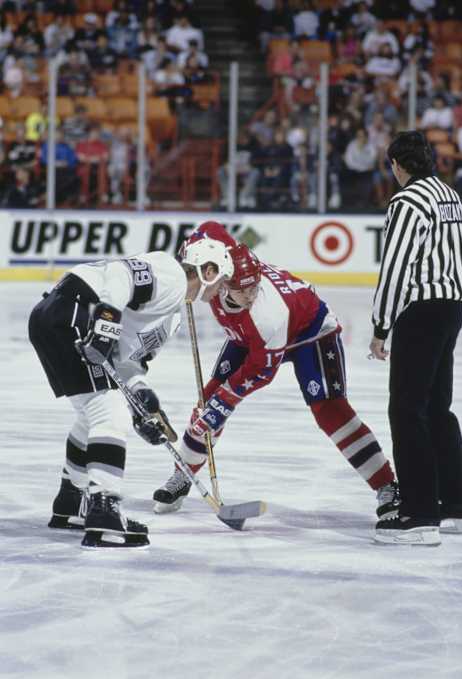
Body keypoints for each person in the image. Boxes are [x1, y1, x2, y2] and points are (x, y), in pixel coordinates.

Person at [153, 221, 400, 521]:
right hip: (250, 337)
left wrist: (223, 404)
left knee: (330, 411)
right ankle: (184, 474)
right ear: (222, 279)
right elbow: (209, 227)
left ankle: (387, 486)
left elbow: (259, 373)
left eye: (255, 289)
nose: (251, 295)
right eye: (244, 291)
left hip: (310, 333)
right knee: (207, 401)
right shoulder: (220, 260)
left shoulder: (266, 314)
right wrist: (188, 254)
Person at [28, 238, 234, 549]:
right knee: (109, 414)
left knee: (93, 415)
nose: (225, 289)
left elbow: (126, 361)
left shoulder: (173, 316)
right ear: (208, 270)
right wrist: (107, 321)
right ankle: (104, 514)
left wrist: (144, 402)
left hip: (59, 318)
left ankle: (71, 502)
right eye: (224, 280)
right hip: (73, 311)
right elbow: (119, 275)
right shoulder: (172, 273)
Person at [369, 131, 462, 546]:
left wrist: (381, 327)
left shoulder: (407, 202)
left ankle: (419, 515)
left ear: (397, 164)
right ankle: (456, 505)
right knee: (437, 407)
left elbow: (396, 267)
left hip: (421, 312)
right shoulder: (453, 197)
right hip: (453, 308)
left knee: (407, 410)